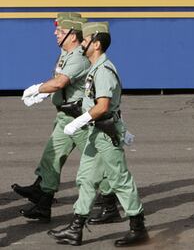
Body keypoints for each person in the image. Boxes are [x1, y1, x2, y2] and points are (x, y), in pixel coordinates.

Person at [47, 22, 148, 247]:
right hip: (96, 132)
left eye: (86, 39)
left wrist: (79, 121)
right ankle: (76, 229)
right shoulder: (95, 68)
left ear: (97, 44)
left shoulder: (104, 70)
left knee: (120, 179)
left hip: (104, 133)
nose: (82, 42)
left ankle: (138, 228)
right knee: (85, 178)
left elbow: (103, 106)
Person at [13, 14, 95, 223]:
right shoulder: (65, 53)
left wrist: (36, 88)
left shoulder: (78, 56)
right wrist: (45, 93)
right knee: (52, 157)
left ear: (73, 35)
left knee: (100, 163)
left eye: (59, 31)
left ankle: (113, 204)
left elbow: (60, 83)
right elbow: (59, 80)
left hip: (79, 119)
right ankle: (43, 203)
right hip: (65, 116)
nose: (55, 34)